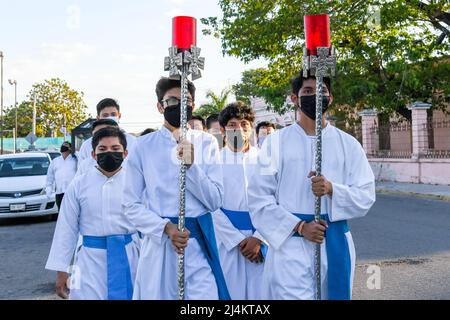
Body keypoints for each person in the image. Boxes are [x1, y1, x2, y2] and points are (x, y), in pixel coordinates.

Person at [247, 70, 376, 300]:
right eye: (307, 91)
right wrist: (299, 227)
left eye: (321, 91)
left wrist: (332, 189)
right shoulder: (275, 143)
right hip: (291, 247)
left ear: (330, 98)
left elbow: (366, 196)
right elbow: (259, 198)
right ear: (294, 98)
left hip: (334, 243)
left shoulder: (349, 144)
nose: (315, 96)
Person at [123, 77, 229, 300]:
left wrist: (191, 168)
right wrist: (165, 227)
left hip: (198, 240)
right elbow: (130, 205)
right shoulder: (143, 146)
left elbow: (215, 200)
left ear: (194, 105)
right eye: (172, 101)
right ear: (160, 106)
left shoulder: (207, 142)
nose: (180, 105)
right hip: (160, 243)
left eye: (186, 100)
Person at [45, 127, 140, 300]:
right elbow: (66, 228)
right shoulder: (79, 185)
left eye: (115, 149)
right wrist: (62, 270)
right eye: (102, 149)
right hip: (89, 259)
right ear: (93, 155)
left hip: (129, 255)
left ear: (125, 153)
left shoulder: (136, 182)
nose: (109, 153)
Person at [212, 102, 265, 300]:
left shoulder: (265, 160)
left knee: (262, 294)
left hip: (261, 240)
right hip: (228, 242)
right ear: (223, 129)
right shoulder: (214, 161)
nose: (239, 129)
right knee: (230, 293)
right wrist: (237, 240)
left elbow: (276, 201)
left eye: (244, 124)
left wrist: (259, 238)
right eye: (233, 124)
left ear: (251, 128)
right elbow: (211, 207)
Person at [77, 98, 136, 163]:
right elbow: (81, 170)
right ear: (98, 118)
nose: (110, 117)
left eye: (113, 114)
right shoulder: (86, 146)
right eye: (105, 115)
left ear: (119, 116)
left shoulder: (132, 142)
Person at [45, 141, 78, 210]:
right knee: (61, 213)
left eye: (66, 149)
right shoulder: (55, 161)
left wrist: (76, 153)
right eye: (63, 149)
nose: (64, 152)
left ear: (70, 150)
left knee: (73, 212)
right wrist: (49, 188)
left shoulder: (75, 160)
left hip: (72, 193)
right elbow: (50, 177)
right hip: (59, 193)